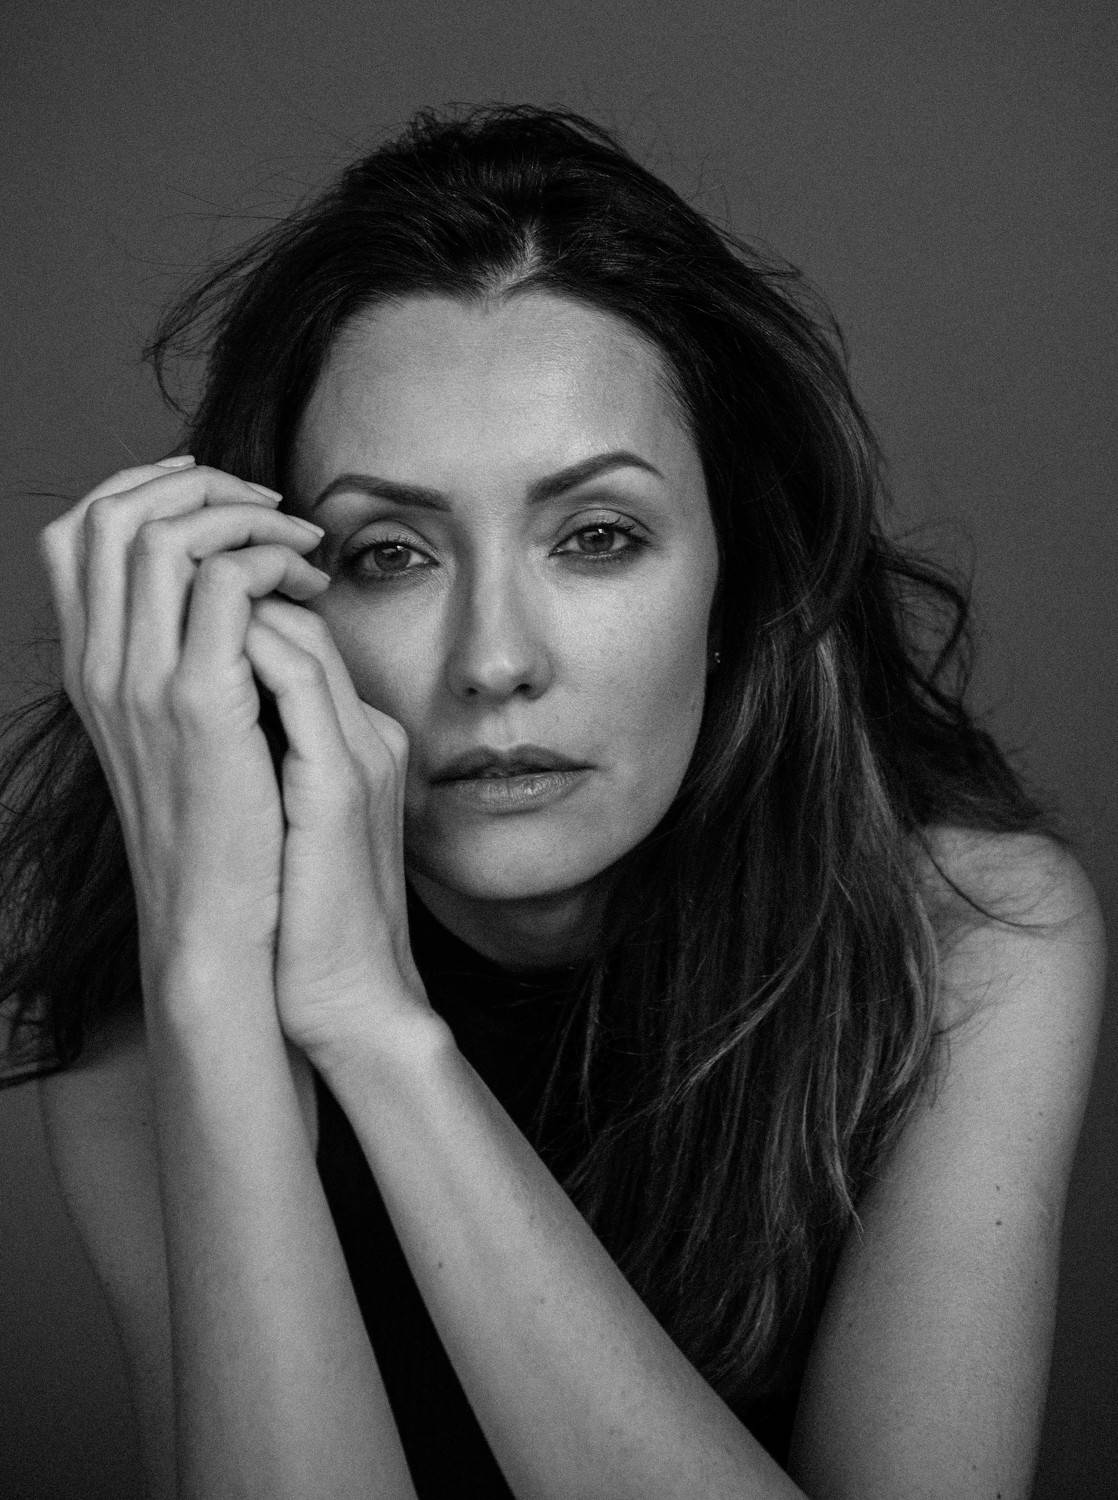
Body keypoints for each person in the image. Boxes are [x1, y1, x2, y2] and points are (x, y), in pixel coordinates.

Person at [0, 103, 1105, 1499]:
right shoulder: (162, 1020)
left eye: (595, 536)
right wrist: (221, 985)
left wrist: (376, 1031)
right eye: (389, 553)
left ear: (735, 586)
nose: (495, 661)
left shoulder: (963, 942)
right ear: (280, 609)